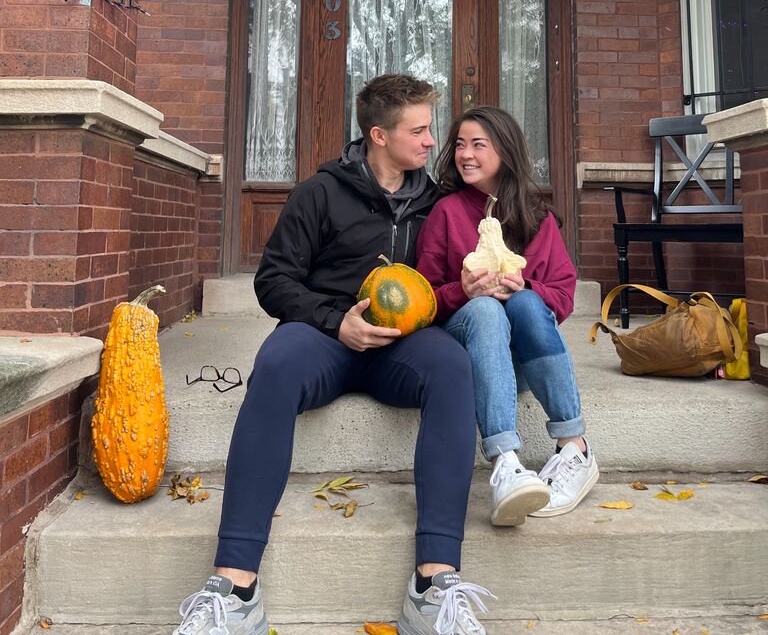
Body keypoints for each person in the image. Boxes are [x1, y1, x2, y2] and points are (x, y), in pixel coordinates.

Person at [173, 75, 495, 635]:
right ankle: (234, 586)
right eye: (418, 131)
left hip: (405, 345)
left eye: (429, 130)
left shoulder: (441, 203)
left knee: (451, 366)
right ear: (378, 135)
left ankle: (434, 582)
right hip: (323, 336)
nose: (429, 143)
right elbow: (273, 281)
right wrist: (333, 322)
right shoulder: (318, 193)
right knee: (274, 363)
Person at [416, 106, 598, 528]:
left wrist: (527, 287)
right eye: (459, 144)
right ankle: (506, 463)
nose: (465, 154)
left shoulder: (538, 219)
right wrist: (462, 291)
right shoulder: (446, 212)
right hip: (469, 345)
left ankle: (575, 447)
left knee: (526, 303)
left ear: (505, 151)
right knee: (483, 308)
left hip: (519, 358)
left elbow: (563, 294)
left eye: (478, 144)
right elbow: (423, 298)